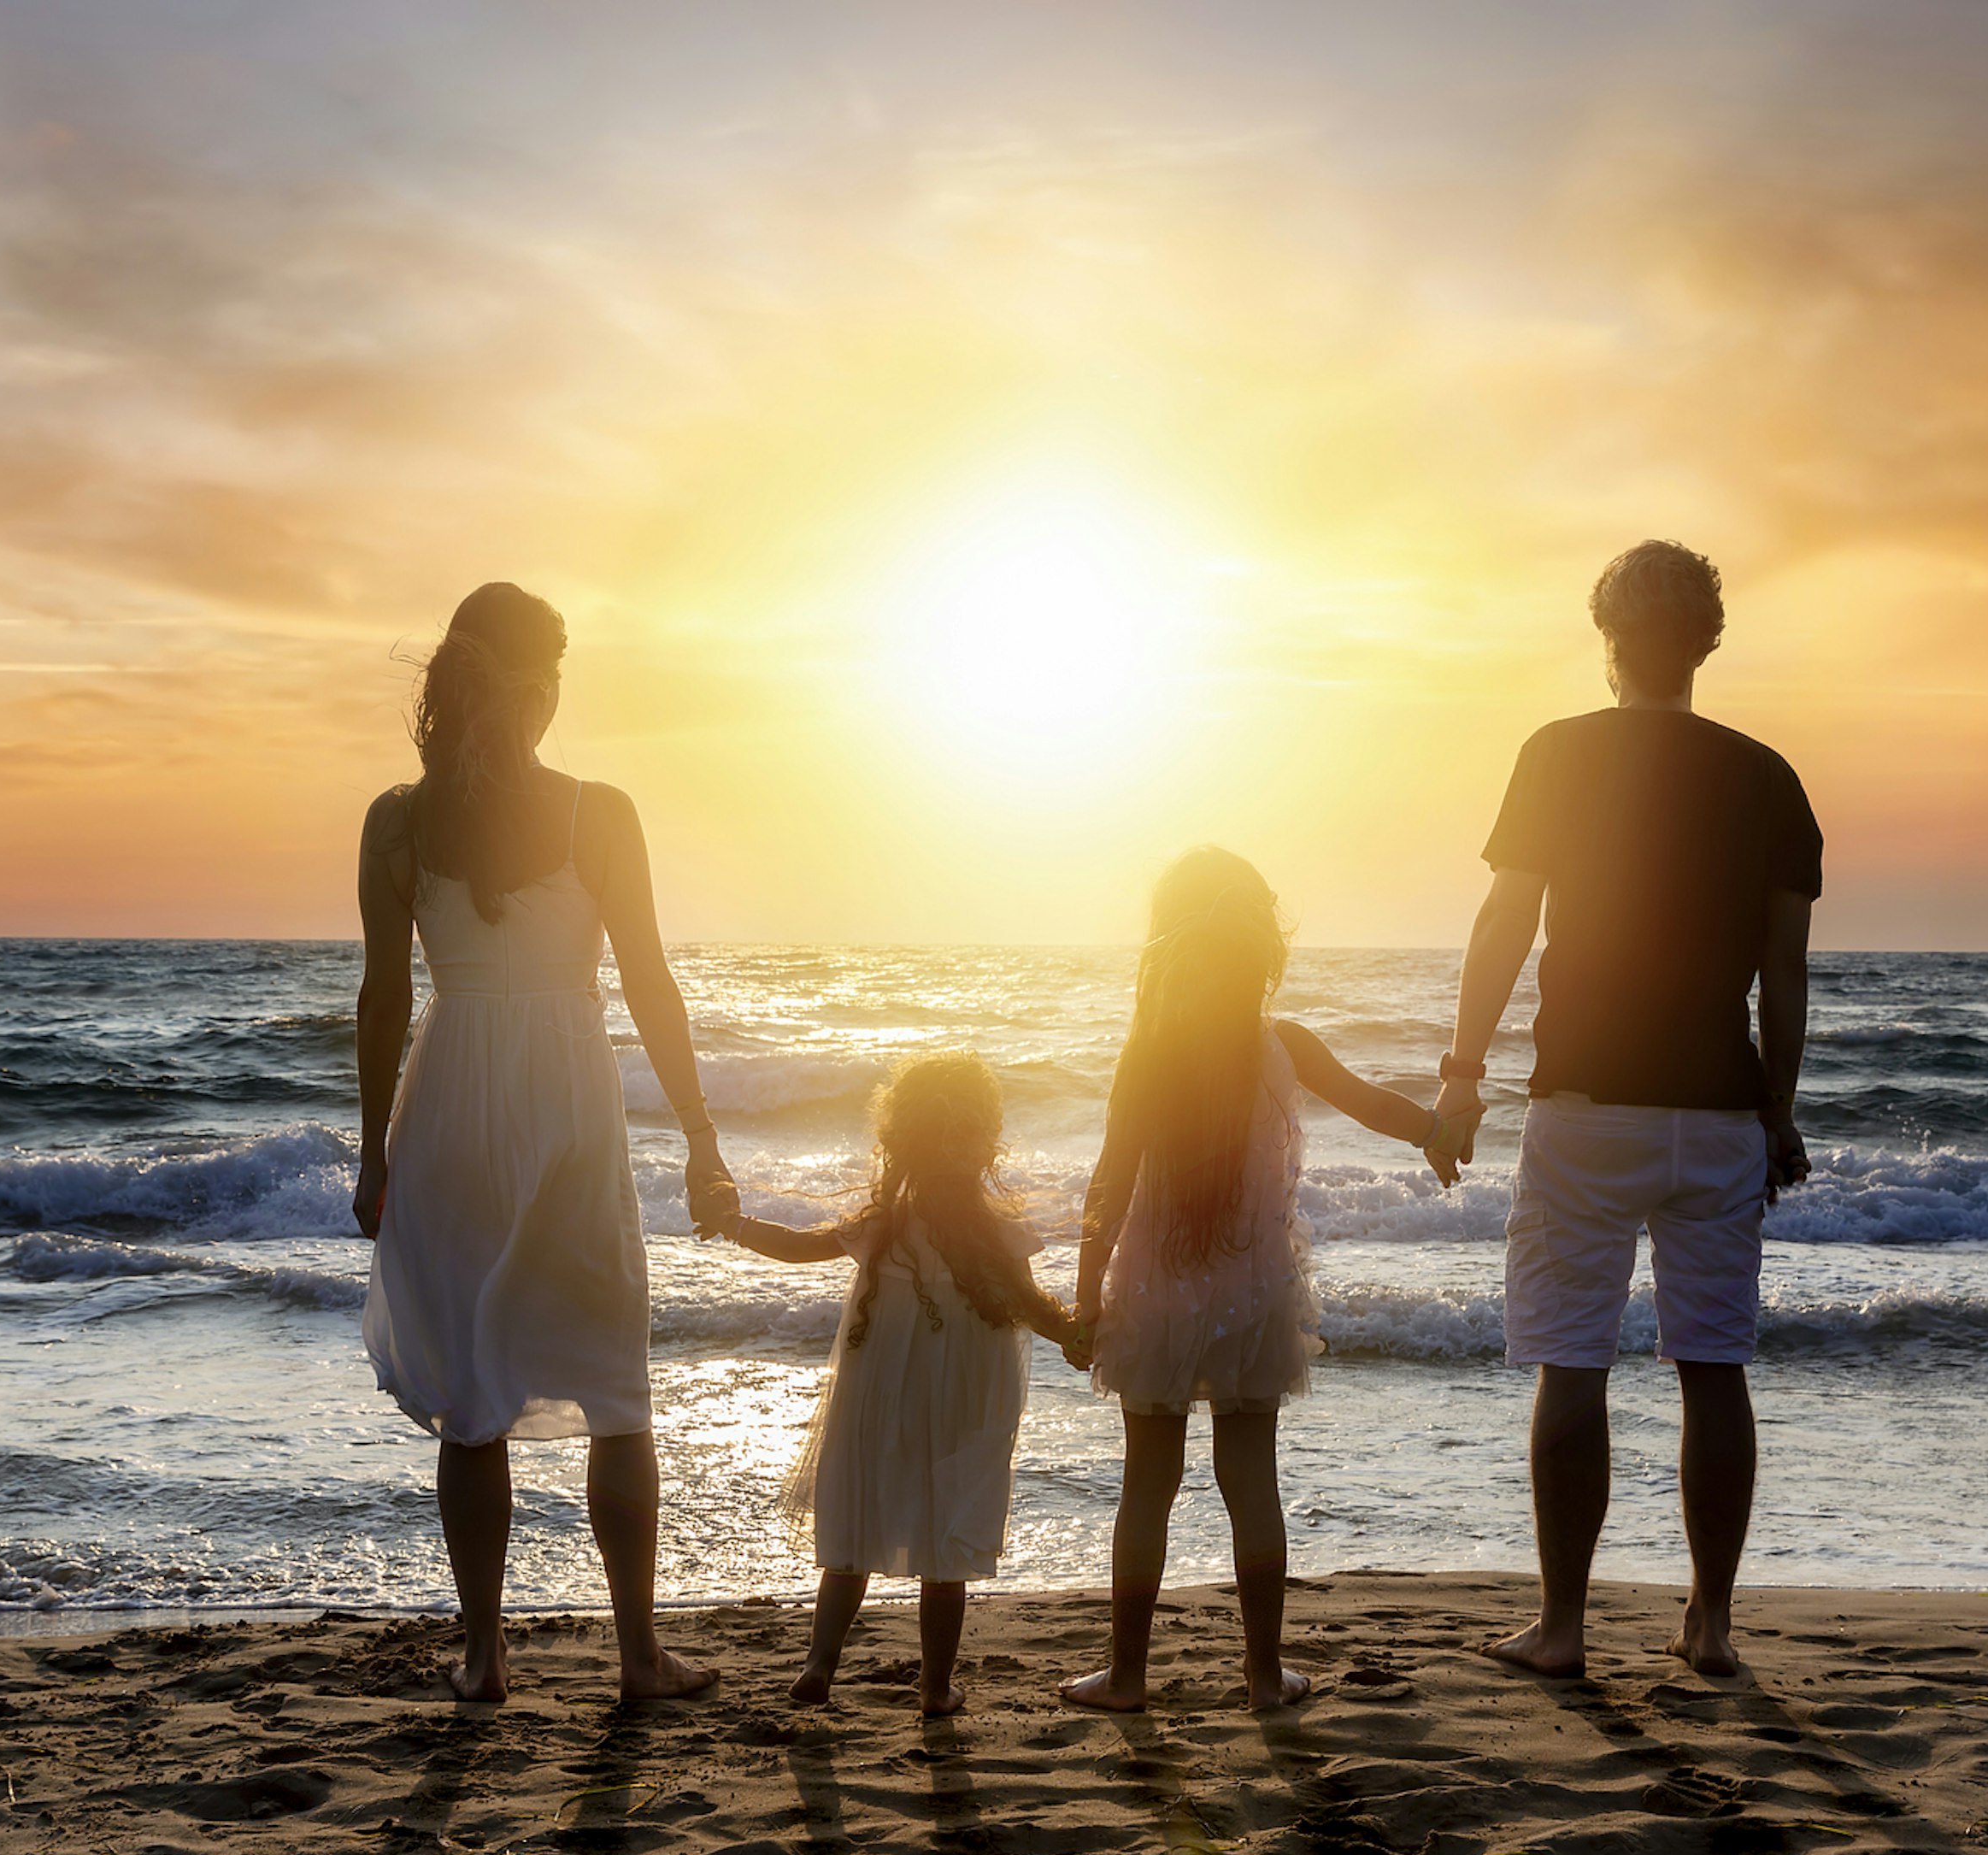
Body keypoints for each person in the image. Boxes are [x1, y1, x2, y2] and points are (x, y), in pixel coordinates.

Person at [1433, 540, 1822, 1680]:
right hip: (1714, 1112)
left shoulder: (1559, 753)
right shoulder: (1768, 778)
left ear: (1609, 642)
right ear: (1705, 642)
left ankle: (1561, 1629)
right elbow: (1785, 976)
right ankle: (1710, 1624)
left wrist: (1461, 1075)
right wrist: (1778, 1113)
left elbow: (1504, 924)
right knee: (1713, 1366)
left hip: (1585, 1105)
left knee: (1573, 1364)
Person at [354, 581, 738, 1705]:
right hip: (569, 1103)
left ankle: (483, 1655)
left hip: (451, 1105)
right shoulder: (599, 811)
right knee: (616, 1388)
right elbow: (652, 986)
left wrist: (376, 1154)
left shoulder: (397, 820)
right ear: (543, 689)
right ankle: (636, 1656)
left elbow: (382, 1000)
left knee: (472, 1398)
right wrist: (702, 1137)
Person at [1062, 847, 1462, 1713]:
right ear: (1259, 949)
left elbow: (1108, 1184)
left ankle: (1128, 1677)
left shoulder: (1148, 1054)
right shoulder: (1284, 1045)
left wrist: (1086, 1295)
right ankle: (1262, 1676)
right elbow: (1370, 1101)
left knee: (1147, 1484)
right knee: (1252, 1482)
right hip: (1253, 1296)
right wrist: (1438, 1129)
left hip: (1157, 1294)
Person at [717, 1052, 1086, 1718]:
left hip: (880, 1400)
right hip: (962, 1407)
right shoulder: (996, 1234)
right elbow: (1036, 1308)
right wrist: (1084, 1338)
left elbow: (797, 1246)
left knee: (852, 1538)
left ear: (898, 1139)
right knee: (946, 1550)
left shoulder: (884, 1226)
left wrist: (732, 1224)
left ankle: (818, 1668)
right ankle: (936, 1687)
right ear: (986, 1141)